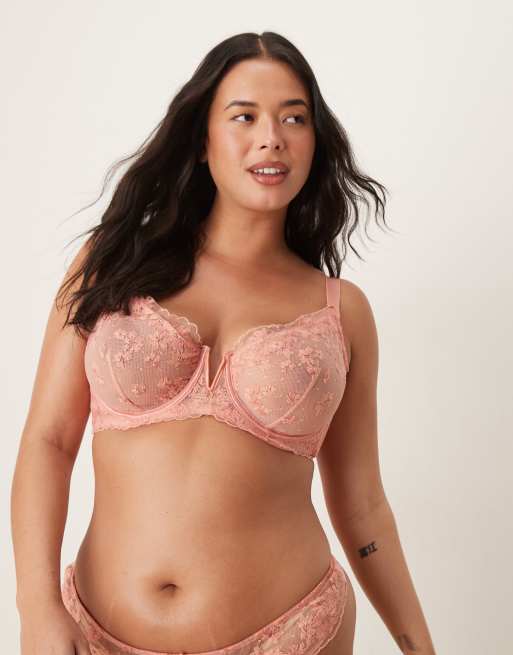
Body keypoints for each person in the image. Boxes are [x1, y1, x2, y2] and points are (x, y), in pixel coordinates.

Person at [11, 31, 436, 655]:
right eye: (245, 116)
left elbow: (363, 505)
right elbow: (48, 441)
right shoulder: (110, 263)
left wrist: (419, 646)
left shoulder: (341, 312)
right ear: (202, 140)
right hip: (93, 634)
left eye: (294, 118)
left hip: (292, 634)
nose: (272, 137)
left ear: (315, 142)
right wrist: (36, 607)